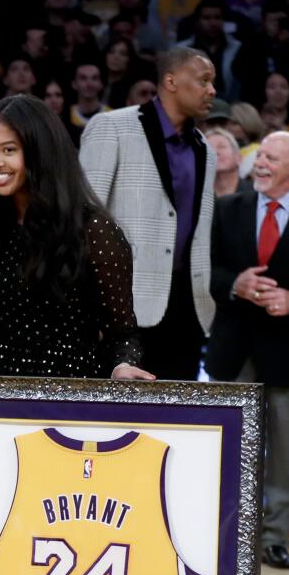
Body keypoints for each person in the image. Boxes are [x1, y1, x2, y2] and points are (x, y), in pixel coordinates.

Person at [0, 94, 153, 381]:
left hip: (72, 399)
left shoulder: (94, 230)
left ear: (40, 152)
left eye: (8, 150)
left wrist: (123, 366)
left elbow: (123, 335)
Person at [205, 131, 289, 571]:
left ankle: (274, 538)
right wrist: (234, 284)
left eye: (271, 158)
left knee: (284, 453)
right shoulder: (225, 211)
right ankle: (223, 536)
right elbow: (206, 272)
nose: (260, 163)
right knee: (227, 449)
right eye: (259, 155)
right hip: (232, 348)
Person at [80, 47, 218, 382]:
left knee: (173, 427)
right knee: (116, 425)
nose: (211, 91)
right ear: (171, 81)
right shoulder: (112, 126)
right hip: (122, 307)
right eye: (203, 81)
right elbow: (81, 218)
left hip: (187, 310)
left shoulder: (206, 148)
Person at [206, 126, 245, 195]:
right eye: (209, 148)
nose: (215, 152)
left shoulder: (255, 193)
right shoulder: (195, 195)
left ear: (238, 157)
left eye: (221, 147)